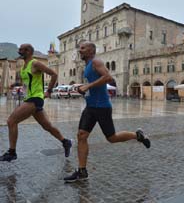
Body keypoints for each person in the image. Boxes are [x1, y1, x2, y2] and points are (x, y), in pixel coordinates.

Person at [64, 41, 150, 183]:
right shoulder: (86, 66)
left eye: (83, 48)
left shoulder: (96, 62)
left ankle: (137, 135)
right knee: (81, 135)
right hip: (90, 106)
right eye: (80, 48)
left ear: (91, 51)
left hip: (102, 106)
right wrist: (82, 87)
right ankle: (82, 171)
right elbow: (93, 83)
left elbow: (108, 78)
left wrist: (87, 86)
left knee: (112, 138)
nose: (80, 51)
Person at [0, 43, 72, 162]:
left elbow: (54, 74)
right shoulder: (25, 66)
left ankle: (12, 152)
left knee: (11, 121)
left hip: (35, 98)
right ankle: (66, 141)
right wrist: (14, 85)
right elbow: (27, 82)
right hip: (30, 98)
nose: (18, 51)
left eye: (21, 49)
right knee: (47, 126)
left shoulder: (35, 63)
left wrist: (48, 91)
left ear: (28, 51)